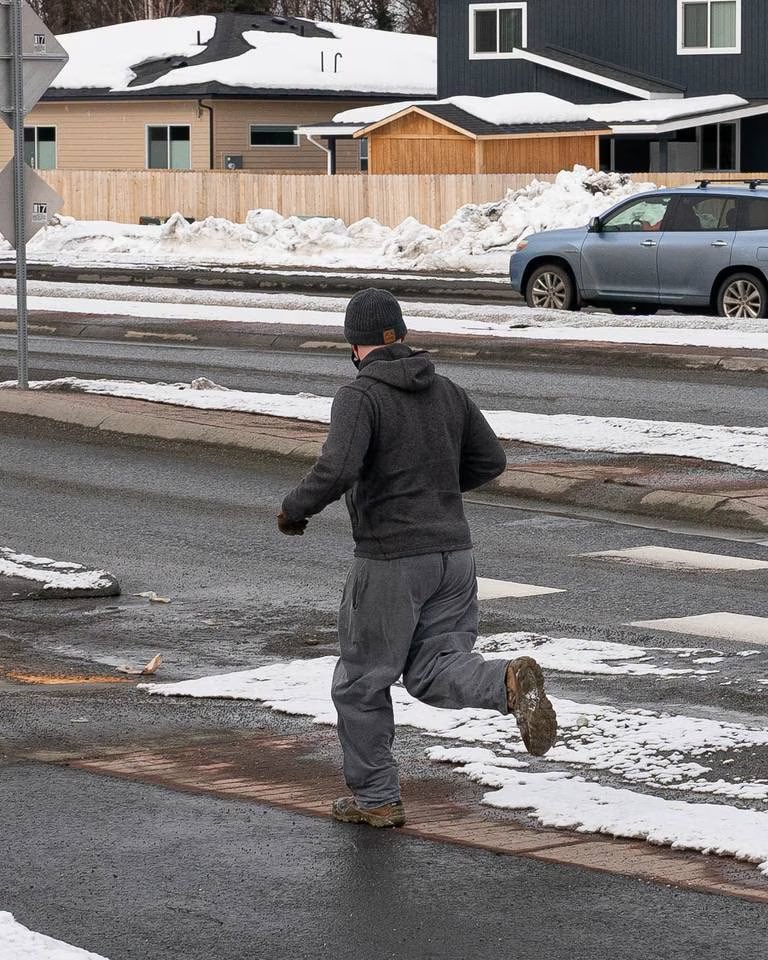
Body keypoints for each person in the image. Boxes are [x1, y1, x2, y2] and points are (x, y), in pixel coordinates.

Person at [278, 288, 557, 828]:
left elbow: (337, 470)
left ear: (354, 345)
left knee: (360, 682)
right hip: (455, 554)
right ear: (401, 336)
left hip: (391, 560)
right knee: (431, 669)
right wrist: (439, 492)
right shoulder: (446, 390)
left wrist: (294, 510)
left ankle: (377, 799)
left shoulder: (361, 396)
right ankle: (505, 683)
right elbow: (491, 459)